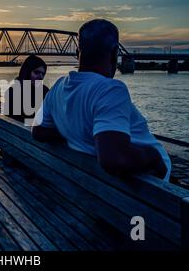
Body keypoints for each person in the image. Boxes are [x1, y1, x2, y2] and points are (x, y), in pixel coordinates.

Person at [32, 19, 171, 181]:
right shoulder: (110, 89)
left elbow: (38, 132)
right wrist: (154, 157)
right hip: (146, 192)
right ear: (114, 53)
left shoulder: (57, 88)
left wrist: (75, 131)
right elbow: (114, 159)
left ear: (78, 53)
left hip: (94, 188)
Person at [5, 55, 49, 124]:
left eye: (43, 74)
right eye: (36, 72)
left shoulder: (12, 90)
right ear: (27, 72)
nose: (41, 77)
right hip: (28, 132)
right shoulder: (44, 91)